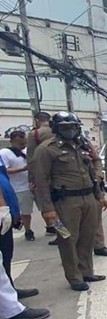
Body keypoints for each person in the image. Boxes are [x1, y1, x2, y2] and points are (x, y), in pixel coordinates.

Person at [33, 112, 107, 291]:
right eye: (65, 127)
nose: (70, 130)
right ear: (56, 129)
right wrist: (47, 208)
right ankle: (74, 277)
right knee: (67, 239)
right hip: (64, 203)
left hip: (88, 198)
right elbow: (41, 181)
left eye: (73, 127)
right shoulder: (46, 149)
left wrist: (99, 196)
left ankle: (86, 271)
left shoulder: (81, 145)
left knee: (88, 237)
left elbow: (91, 172)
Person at [0, 154, 39, 299]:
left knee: (6, 256)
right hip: (2, 211)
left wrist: (14, 211)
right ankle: (8, 302)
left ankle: (9, 289)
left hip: (6, 209)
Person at [79, 134, 107, 257]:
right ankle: (68, 252)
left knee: (96, 219)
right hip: (61, 196)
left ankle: (99, 245)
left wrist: (98, 176)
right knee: (64, 229)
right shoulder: (48, 148)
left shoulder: (83, 143)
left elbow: (96, 160)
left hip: (91, 190)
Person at [26, 111, 58, 243]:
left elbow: (31, 159)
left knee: (52, 207)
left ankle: (61, 235)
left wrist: (32, 179)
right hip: (62, 173)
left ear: (36, 121)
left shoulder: (35, 134)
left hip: (45, 175)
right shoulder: (57, 129)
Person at [1, 131, 35, 241]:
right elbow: (4, 170)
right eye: (20, 144)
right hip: (18, 187)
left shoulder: (28, 150)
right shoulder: (4, 153)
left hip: (34, 185)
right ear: (12, 141)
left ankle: (54, 229)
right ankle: (28, 230)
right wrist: (23, 169)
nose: (22, 146)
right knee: (25, 213)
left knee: (48, 210)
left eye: (24, 143)